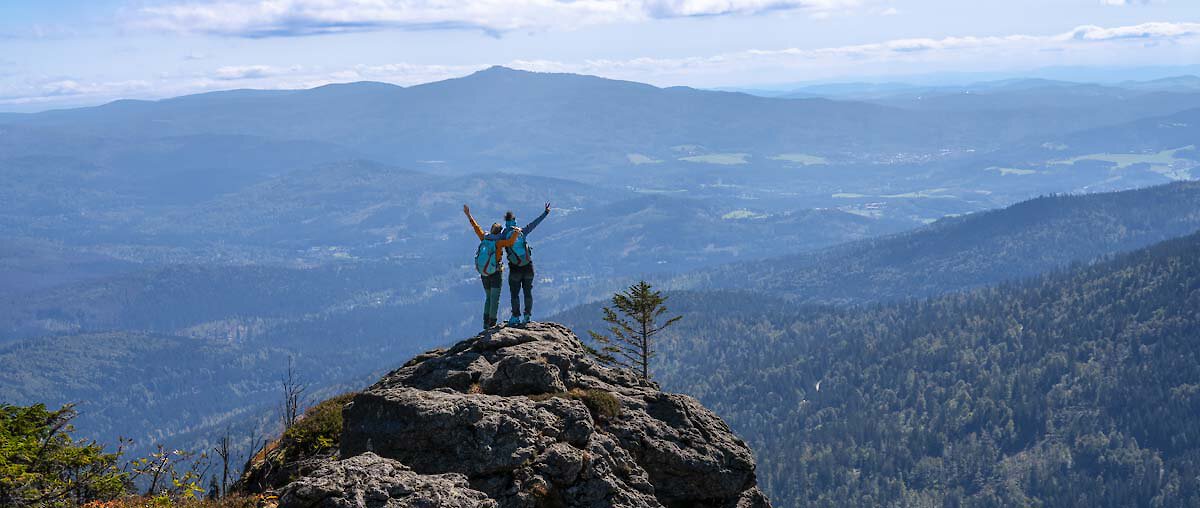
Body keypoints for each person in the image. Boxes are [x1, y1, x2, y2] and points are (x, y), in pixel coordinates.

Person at [464, 204, 520, 330]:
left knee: (488, 298)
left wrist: (469, 215)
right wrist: (516, 232)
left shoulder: (484, 237)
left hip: (484, 273)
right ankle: (492, 324)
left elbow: (476, 227)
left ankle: (485, 323)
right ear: (500, 232)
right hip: (495, 273)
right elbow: (510, 242)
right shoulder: (498, 243)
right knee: (495, 299)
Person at [501, 203, 551, 325]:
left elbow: (491, 238)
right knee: (527, 292)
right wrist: (545, 212)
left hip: (515, 269)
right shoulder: (521, 231)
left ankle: (515, 317)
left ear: (505, 221)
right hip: (528, 267)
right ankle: (527, 316)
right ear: (514, 220)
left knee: (515, 294)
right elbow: (534, 224)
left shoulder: (503, 235)